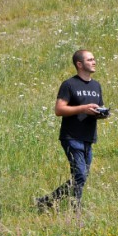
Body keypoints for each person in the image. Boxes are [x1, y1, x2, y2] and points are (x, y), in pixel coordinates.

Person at [36, 49, 108, 212]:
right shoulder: (69, 84)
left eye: (94, 59)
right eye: (90, 59)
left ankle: (46, 201)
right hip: (71, 136)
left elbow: (97, 108)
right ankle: (76, 209)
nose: (94, 62)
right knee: (80, 174)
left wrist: (101, 114)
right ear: (79, 64)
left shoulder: (96, 85)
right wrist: (83, 108)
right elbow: (59, 110)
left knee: (80, 177)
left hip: (88, 137)